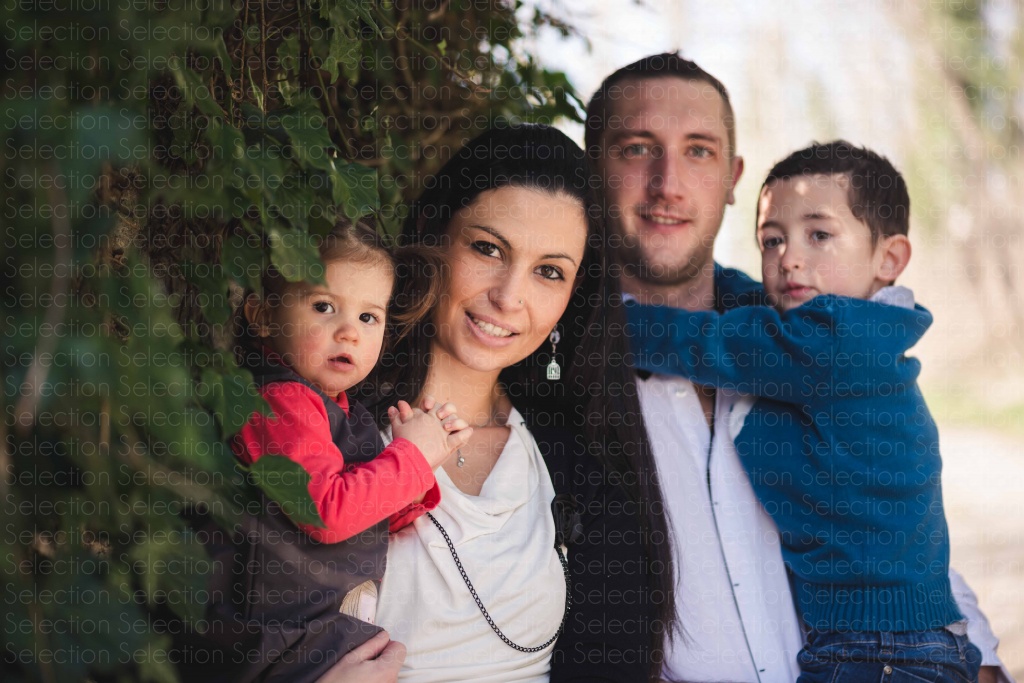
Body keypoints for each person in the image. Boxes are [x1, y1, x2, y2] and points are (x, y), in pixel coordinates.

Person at [586, 52, 1012, 683]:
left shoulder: (806, 340)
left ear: (731, 177)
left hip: (879, 656)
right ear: (592, 171)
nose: (667, 183)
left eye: (698, 150)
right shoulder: (548, 359)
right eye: (637, 148)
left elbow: (903, 532)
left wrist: (983, 661)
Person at [342, 122, 674, 682]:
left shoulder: (580, 465)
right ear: (435, 237)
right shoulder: (327, 423)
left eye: (549, 272)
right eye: (488, 248)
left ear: (572, 297)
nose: (509, 296)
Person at [212, 219, 473, 682]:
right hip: (274, 639)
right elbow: (326, 511)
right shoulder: (280, 403)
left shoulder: (341, 412)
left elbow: (363, 515)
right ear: (263, 315)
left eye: (368, 317)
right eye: (324, 306)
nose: (350, 331)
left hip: (308, 637)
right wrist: (410, 458)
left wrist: (419, 463)